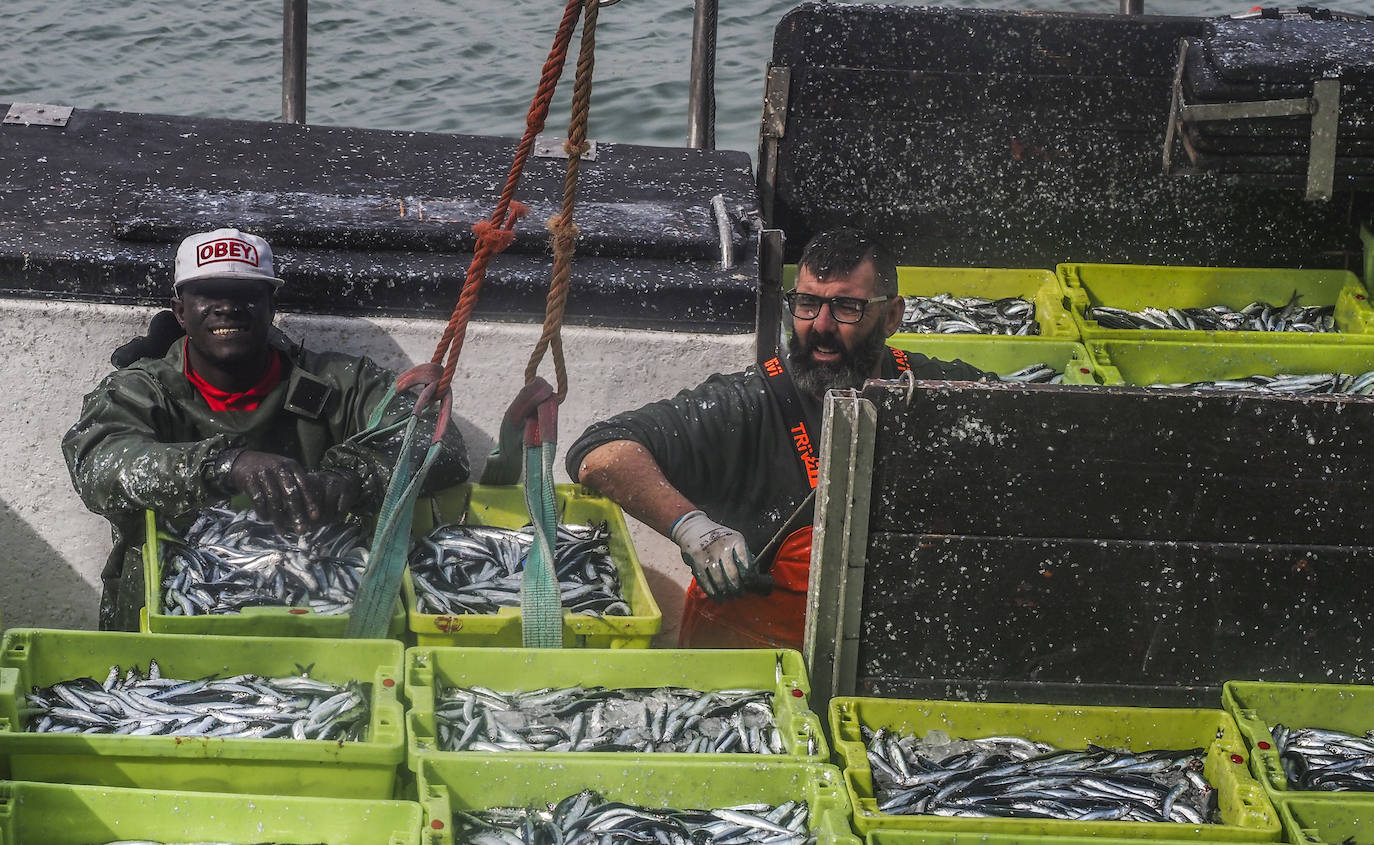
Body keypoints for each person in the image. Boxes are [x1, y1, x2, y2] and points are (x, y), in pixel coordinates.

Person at [566, 229, 994, 650]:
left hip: (894, 650)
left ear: (892, 316)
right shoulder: (748, 403)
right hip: (754, 671)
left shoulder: (938, 390)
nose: (820, 326)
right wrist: (693, 529)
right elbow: (601, 452)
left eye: (846, 307)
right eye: (807, 304)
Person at [63, 228, 470, 630]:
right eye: (207, 294)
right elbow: (98, 464)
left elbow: (440, 444)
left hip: (321, 611)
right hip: (167, 614)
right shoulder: (138, 390)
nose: (227, 307)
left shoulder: (340, 383)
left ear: (270, 306)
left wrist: (353, 474)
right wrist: (224, 466)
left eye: (246, 294)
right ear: (180, 311)